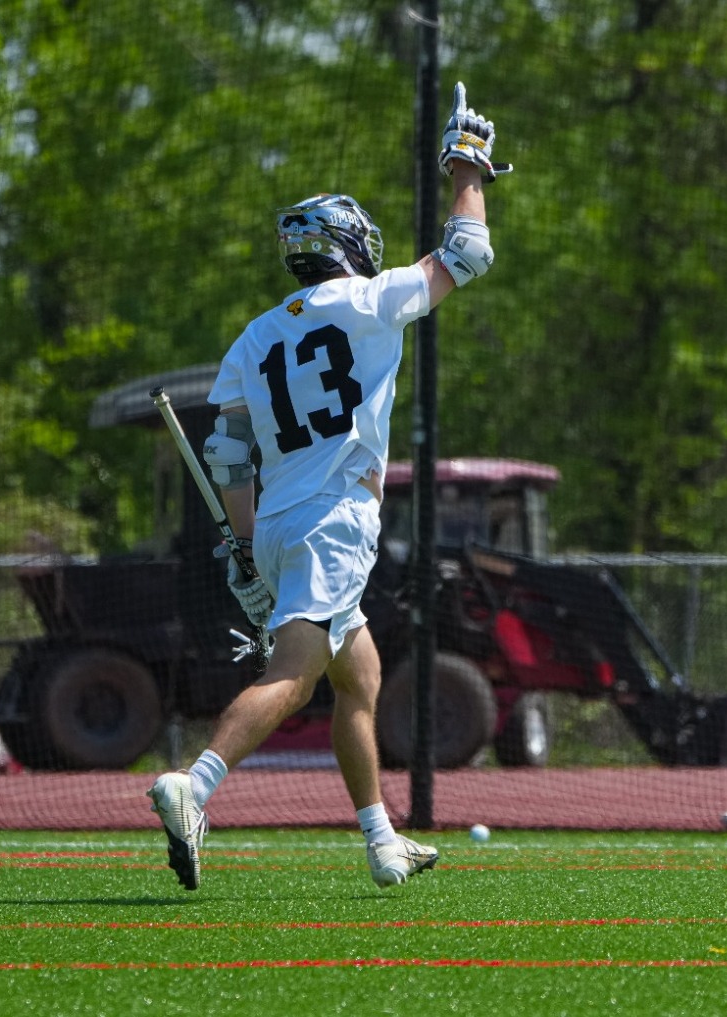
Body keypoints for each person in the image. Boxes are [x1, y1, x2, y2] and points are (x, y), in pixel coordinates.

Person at [147, 83, 504, 890]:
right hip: (335, 518)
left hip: (276, 521)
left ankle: (382, 839)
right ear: (348, 243)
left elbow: (230, 457)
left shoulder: (254, 335)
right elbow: (467, 254)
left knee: (360, 674)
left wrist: (242, 543)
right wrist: (466, 170)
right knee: (293, 673)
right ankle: (192, 785)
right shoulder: (370, 301)